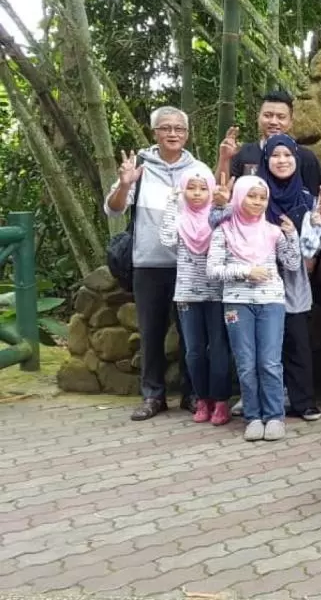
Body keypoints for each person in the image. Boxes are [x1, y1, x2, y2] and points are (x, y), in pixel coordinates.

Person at [104, 106, 209, 421]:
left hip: (190, 264)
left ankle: (193, 394)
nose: (173, 133)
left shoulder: (200, 169)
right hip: (148, 264)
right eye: (166, 128)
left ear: (187, 134)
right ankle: (153, 396)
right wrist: (124, 184)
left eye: (179, 128)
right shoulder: (140, 167)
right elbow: (113, 210)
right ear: (155, 133)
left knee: (193, 335)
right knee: (151, 333)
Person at [206, 176, 301, 442]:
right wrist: (246, 271)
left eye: (262, 197)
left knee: (270, 362)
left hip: (271, 302)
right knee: (246, 364)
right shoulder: (223, 231)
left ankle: (274, 417)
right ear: (239, 196)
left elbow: (292, 264)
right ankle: (253, 417)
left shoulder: (272, 231)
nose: (258, 202)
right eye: (252, 196)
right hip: (237, 303)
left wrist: (292, 234)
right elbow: (212, 271)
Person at [258, 134, 321, 422]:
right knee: (264, 345)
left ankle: (303, 401)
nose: (282, 161)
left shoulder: (307, 199)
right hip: (259, 282)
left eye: (288, 155)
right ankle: (264, 400)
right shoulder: (255, 194)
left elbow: (312, 248)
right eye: (275, 155)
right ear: (266, 159)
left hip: (295, 284)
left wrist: (316, 224)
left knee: (297, 342)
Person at [159, 168, 231, 426]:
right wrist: (171, 201)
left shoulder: (218, 216)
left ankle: (221, 400)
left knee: (219, 349)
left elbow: (233, 228)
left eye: (203, 188)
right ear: (183, 190)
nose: (197, 193)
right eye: (191, 188)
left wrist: (224, 204)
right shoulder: (179, 219)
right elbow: (166, 238)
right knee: (193, 351)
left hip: (218, 293)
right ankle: (202, 399)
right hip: (187, 293)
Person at [217, 90, 321, 195]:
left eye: (281, 117)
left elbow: (314, 200)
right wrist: (224, 159)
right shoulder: (242, 153)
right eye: (268, 115)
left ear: (291, 122)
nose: (273, 122)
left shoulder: (306, 158)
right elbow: (220, 191)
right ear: (258, 118)